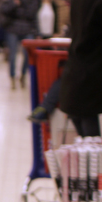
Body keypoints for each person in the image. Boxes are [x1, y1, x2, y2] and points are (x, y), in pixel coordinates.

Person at [58, 0, 102, 137]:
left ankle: (91, 154)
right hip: (89, 65)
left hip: (81, 66)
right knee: (83, 117)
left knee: (82, 116)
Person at [0, 0, 39, 89]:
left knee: (27, 55)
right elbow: (4, 10)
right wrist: (14, 4)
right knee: (12, 55)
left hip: (27, 29)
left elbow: (32, 14)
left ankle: (23, 74)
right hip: (12, 29)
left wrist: (37, 32)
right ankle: (12, 77)